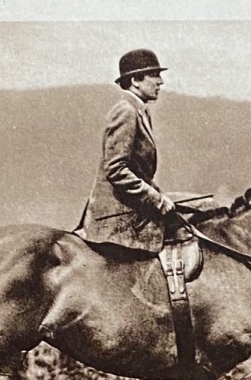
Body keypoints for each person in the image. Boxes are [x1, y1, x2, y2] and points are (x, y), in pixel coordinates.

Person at [74, 48, 179, 254]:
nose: (160, 82)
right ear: (136, 80)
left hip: (131, 210)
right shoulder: (126, 111)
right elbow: (116, 169)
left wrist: (159, 194)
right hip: (118, 218)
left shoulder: (138, 110)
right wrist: (156, 199)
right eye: (155, 75)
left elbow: (136, 169)